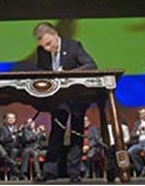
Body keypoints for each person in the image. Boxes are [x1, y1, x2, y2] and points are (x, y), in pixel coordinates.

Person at [32, 22, 97, 183]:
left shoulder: (73, 46)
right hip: (57, 98)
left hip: (76, 96)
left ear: (55, 35)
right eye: (43, 45)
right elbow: (41, 71)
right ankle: (49, 171)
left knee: (76, 132)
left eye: (49, 43)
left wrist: (68, 74)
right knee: (56, 132)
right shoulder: (42, 51)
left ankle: (74, 172)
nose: (47, 48)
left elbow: (91, 65)